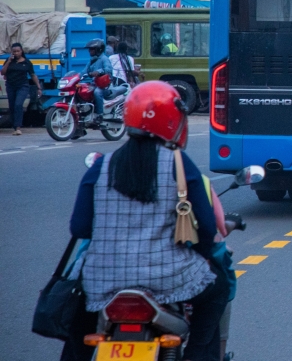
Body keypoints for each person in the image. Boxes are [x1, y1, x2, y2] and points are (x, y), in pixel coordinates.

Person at [68, 81, 228, 361]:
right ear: (173, 118)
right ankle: (197, 355)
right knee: (219, 288)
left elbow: (80, 228)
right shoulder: (179, 163)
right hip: (168, 279)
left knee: (79, 323)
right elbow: (206, 227)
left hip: (104, 279)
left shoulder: (101, 166)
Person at [3, 42, 42, 135]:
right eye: (14, 51)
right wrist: (8, 61)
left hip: (22, 86)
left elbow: (33, 75)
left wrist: (38, 87)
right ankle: (14, 126)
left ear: (21, 51)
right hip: (10, 86)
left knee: (18, 104)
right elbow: (3, 72)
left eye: (18, 51)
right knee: (12, 106)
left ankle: (18, 127)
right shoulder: (8, 61)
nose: (16, 53)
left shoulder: (26, 62)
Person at [84, 39, 114, 130]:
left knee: (97, 92)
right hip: (94, 83)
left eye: (92, 49)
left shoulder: (104, 59)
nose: (90, 51)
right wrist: (75, 76)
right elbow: (84, 71)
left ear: (99, 49)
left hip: (104, 85)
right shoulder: (92, 60)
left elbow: (108, 70)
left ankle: (99, 115)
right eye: (89, 49)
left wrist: (99, 72)